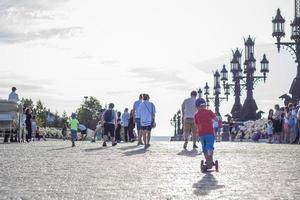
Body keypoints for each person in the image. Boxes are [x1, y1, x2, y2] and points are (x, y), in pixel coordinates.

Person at [194, 98, 218, 171]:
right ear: (205, 105)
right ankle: (210, 158)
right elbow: (216, 119)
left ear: (197, 107)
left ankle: (207, 160)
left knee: (204, 147)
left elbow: (196, 125)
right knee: (210, 146)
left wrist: (197, 134)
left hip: (201, 134)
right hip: (210, 132)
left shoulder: (196, 114)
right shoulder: (209, 111)